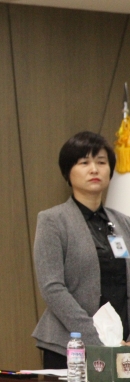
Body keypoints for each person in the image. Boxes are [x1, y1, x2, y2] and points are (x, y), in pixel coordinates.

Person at [33, 131, 130, 369]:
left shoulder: (124, 223)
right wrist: (96, 338)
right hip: (71, 346)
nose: (94, 169)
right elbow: (52, 288)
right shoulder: (53, 221)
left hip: (123, 348)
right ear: (68, 172)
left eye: (101, 162)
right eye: (84, 162)